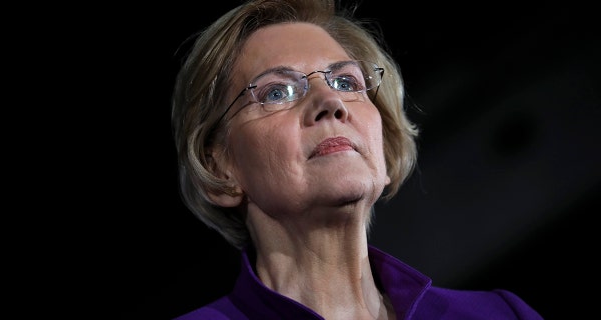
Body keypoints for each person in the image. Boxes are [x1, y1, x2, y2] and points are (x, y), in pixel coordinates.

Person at [170, 0, 544, 318]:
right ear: (219, 166)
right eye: (277, 92)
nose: (329, 103)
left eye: (346, 83)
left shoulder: (500, 314)